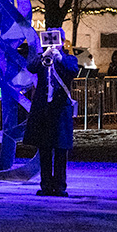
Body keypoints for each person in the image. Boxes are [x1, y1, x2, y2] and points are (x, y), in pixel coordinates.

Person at [23, 35, 79, 197]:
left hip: (60, 109)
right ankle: (46, 185)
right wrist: (44, 55)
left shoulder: (69, 59)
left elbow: (73, 71)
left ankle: (60, 186)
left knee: (61, 150)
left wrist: (60, 58)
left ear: (62, 42)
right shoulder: (43, 58)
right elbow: (31, 67)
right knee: (45, 149)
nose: (54, 44)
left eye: (57, 41)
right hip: (43, 110)